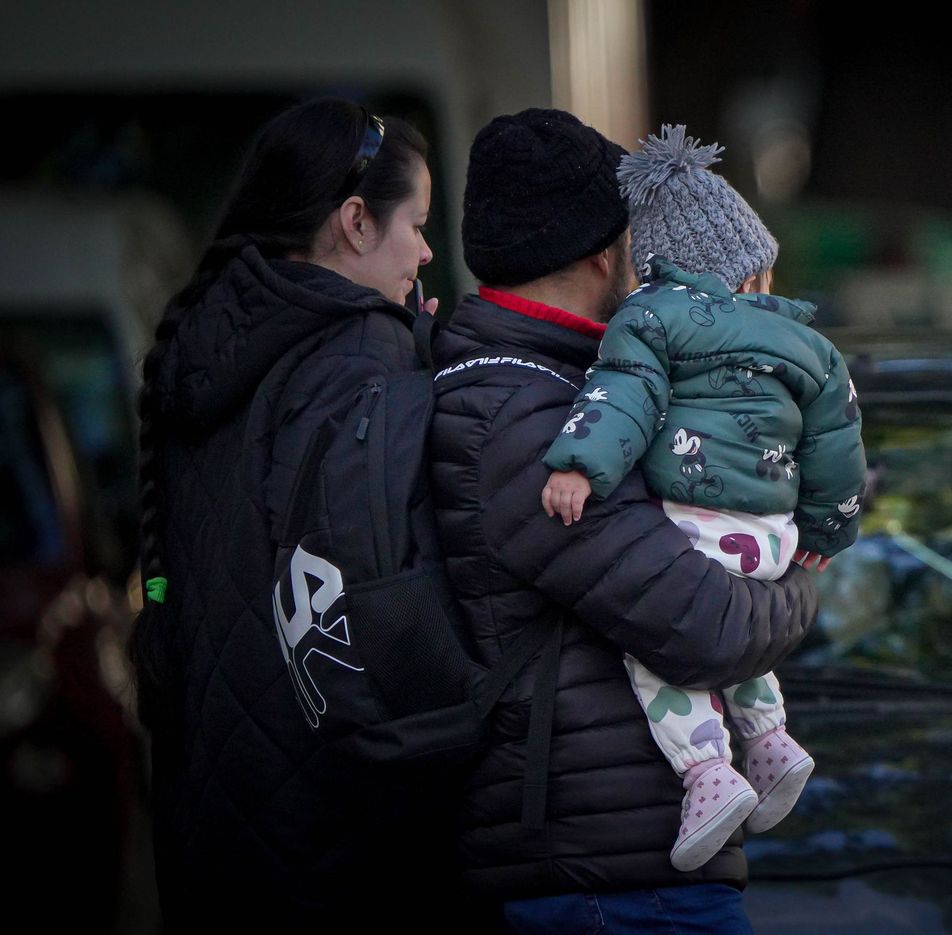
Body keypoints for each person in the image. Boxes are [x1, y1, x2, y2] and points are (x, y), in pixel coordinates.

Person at [429, 109, 820, 933]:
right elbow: (704, 624)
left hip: (618, 866)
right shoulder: (525, 417)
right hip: (613, 883)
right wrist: (800, 581)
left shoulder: (560, 389)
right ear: (604, 253)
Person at [129, 98, 446, 926]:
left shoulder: (202, 341)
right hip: (332, 838)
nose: (426, 251)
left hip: (210, 821)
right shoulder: (360, 356)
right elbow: (382, 611)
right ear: (355, 221)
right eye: (416, 224)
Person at [539, 125, 866, 872]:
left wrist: (579, 466)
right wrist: (826, 532)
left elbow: (622, 395)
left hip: (694, 525)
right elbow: (838, 448)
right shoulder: (812, 346)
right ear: (750, 273)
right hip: (772, 539)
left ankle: (707, 772)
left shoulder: (647, 319)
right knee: (739, 630)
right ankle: (772, 740)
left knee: (659, 653)